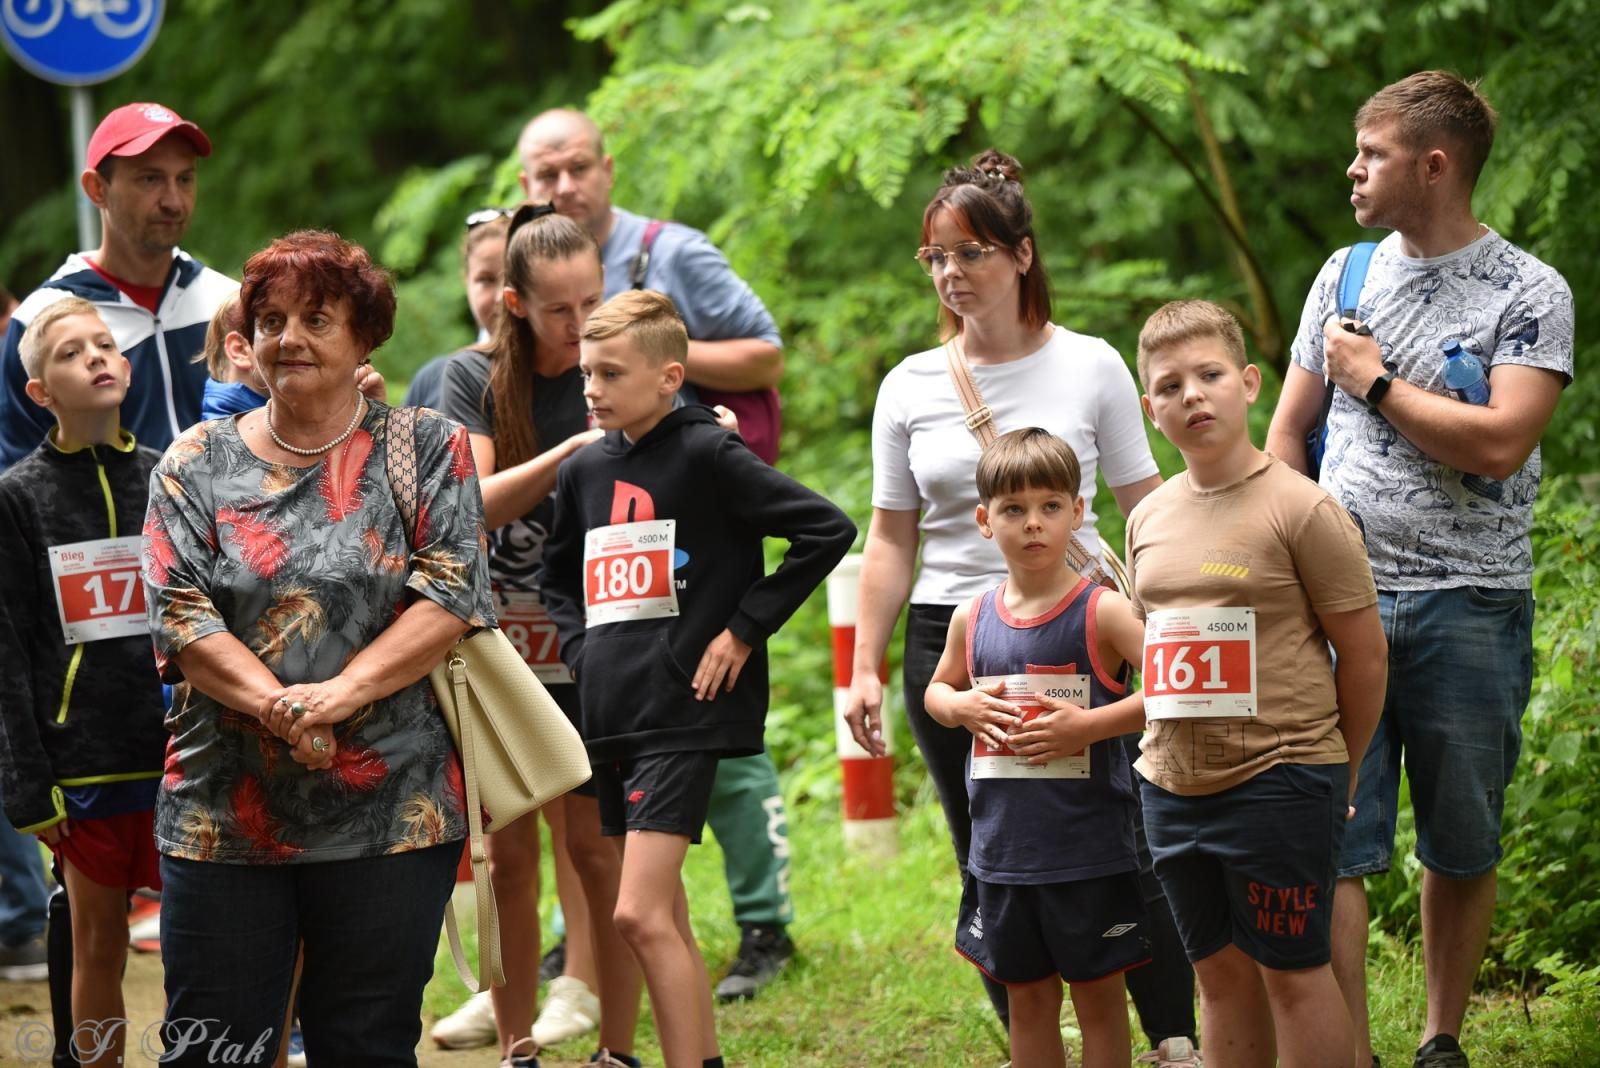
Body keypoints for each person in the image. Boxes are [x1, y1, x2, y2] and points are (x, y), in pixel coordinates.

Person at [840, 148, 1197, 1050]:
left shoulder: (1092, 365)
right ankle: (1034, 1032)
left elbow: (1146, 504)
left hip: (1082, 626)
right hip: (958, 634)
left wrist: (1186, 607)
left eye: (971, 253)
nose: (951, 273)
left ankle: (1173, 1039)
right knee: (988, 847)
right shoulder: (909, 385)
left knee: (1126, 835)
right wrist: (865, 668)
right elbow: (891, 537)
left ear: (1022, 254)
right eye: (936, 257)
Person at [1264, 71, 1575, 1068]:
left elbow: (1502, 443)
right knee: (1335, 836)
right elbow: (1287, 433)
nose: (1352, 169)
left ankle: (1441, 1039)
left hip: (1470, 604)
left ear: (1433, 166)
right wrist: (1287, 571)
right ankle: (1350, 1049)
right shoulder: (1343, 275)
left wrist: (1375, 382)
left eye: (1373, 153)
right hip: (1338, 608)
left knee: (1461, 836)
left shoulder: (1529, 291)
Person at [141, 230, 495, 1066]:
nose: (288, 338)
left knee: (367, 1044)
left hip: (393, 812)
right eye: (270, 321)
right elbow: (181, 616)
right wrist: (282, 707)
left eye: (315, 319)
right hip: (224, 813)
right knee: (214, 1049)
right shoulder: (193, 463)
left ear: (365, 335)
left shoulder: (429, 446)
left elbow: (451, 593)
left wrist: (340, 696)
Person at [520, 106, 802, 1002]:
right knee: (607, 790)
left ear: (606, 168)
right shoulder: (532, 279)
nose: (564, 185)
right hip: (617, 594)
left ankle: (763, 922)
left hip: (698, 543)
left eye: (577, 166)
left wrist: (671, 387)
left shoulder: (674, 253)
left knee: (724, 745)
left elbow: (766, 355)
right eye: (546, 174)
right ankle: (579, 943)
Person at [541, 290, 854, 1067]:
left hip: (685, 709)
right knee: (665, 915)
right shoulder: (583, 469)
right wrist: (583, 654)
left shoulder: (710, 453)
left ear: (669, 377)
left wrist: (745, 629)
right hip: (611, 711)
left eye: (612, 373)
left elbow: (826, 529)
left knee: (637, 915)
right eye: (586, 373)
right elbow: (557, 580)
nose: (592, 389)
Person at [1127, 299, 1388, 1067]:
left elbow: (1365, 656)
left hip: (1281, 775)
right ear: (1149, 409)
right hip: (1171, 786)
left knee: (1294, 976)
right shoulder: (1148, 517)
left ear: (1248, 384)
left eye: (1209, 376)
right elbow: (1154, 647)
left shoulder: (1302, 508)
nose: (1191, 396)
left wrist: (1342, 767)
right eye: (1169, 386)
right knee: (1217, 977)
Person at [433, 204, 632, 1067]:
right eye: (560, 309)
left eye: (593, 301)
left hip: (592, 649)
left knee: (594, 850)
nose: (581, 324)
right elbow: (469, 506)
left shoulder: (616, 368)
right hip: (499, 654)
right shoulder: (468, 379)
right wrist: (576, 450)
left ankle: (612, 1043)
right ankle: (516, 1046)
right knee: (507, 859)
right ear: (512, 303)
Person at [924, 428, 1151, 1068]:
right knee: (1027, 1001)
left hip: (1089, 854)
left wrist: (1089, 727)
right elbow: (937, 690)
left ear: (1077, 512)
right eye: (1013, 509)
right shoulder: (971, 617)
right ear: (984, 521)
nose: (1032, 523)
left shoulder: (1103, 611)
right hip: (1002, 855)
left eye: (1050, 506)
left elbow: (1172, 691)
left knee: (1099, 1001)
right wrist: (960, 707)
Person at [0, 299, 166, 1067]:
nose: (97, 357)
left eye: (105, 344)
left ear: (127, 367)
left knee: (199, 946)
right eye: (71, 352)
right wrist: (29, 786)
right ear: (40, 391)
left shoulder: (170, 476)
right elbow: (8, 652)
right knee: (97, 947)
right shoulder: (17, 497)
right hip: (85, 770)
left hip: (179, 761)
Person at [0, 102, 235, 468]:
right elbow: (18, 477)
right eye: (150, 179)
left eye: (185, 179)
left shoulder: (228, 302)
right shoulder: (40, 321)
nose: (174, 201)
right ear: (97, 189)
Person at [404, 207, 511, 410]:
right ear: (466, 280)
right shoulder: (431, 381)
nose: (500, 296)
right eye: (486, 280)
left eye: (512, 278)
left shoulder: (565, 376)